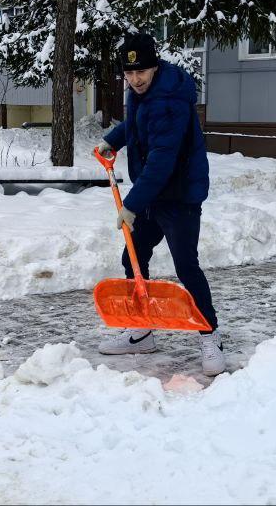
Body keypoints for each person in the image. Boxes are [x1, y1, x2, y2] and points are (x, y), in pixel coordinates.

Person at [95, 33, 224, 376]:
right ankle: (142, 329)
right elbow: (139, 126)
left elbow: (162, 162)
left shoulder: (170, 100)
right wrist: (114, 139)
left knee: (186, 266)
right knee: (133, 257)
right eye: (129, 73)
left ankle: (209, 334)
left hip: (179, 196)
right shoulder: (144, 92)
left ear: (155, 66)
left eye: (142, 71)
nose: (135, 79)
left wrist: (132, 205)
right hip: (152, 194)